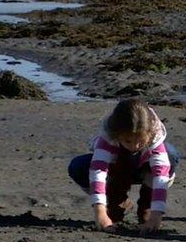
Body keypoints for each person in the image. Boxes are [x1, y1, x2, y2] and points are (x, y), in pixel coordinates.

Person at [68, 98, 179, 234]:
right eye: (128, 141)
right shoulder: (108, 137)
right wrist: (100, 212)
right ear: (117, 135)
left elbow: (160, 175)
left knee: (170, 154)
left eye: (140, 141)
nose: (135, 146)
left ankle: (146, 205)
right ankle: (116, 200)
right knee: (78, 166)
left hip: (144, 169)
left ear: (149, 135)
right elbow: (98, 172)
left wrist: (156, 214)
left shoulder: (154, 137)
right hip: (116, 170)